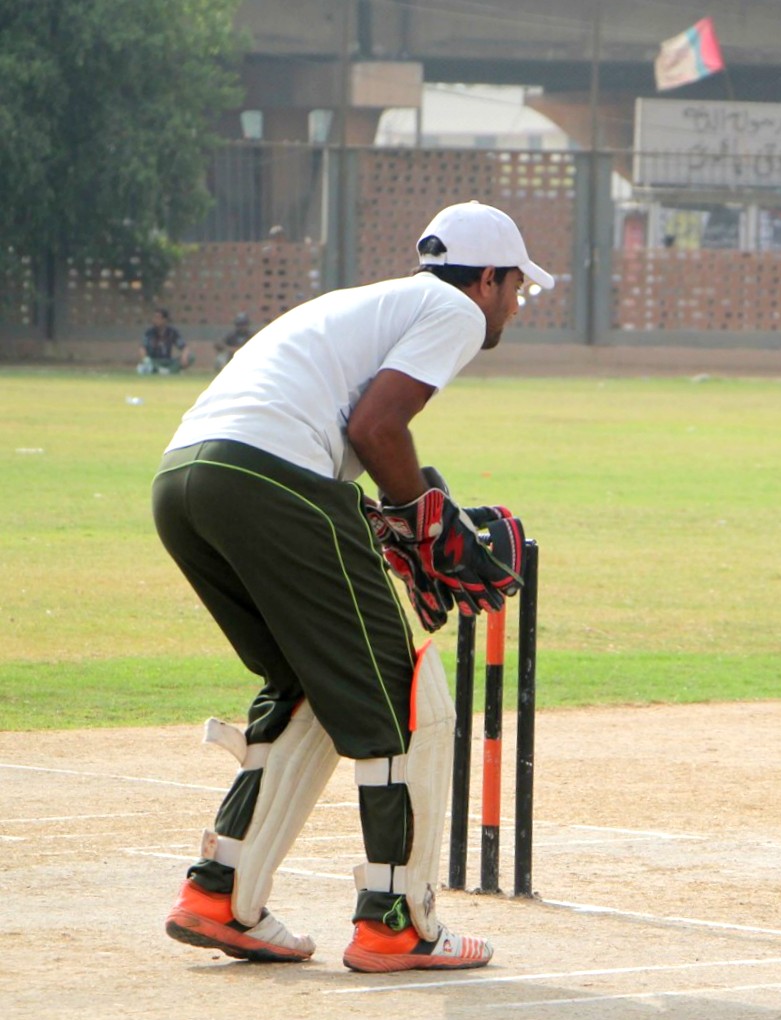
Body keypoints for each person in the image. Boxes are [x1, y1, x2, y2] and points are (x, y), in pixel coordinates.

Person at [153, 200, 554, 971]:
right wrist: (425, 522)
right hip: (272, 479)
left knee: (306, 683)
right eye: (517, 288)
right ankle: (397, 921)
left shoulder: (368, 302)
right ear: (488, 278)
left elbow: (342, 427)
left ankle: (220, 892)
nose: (515, 304)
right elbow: (376, 427)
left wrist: (402, 516)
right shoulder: (453, 308)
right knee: (407, 697)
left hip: (185, 480)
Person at [137, 307, 194, 374]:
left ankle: (163, 371)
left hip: (168, 361)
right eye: (154, 317)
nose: (155, 320)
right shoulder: (149, 333)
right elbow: (142, 348)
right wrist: (146, 360)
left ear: (164, 320)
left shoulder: (172, 332)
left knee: (191, 356)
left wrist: (184, 356)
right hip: (154, 361)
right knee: (143, 366)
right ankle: (169, 371)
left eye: (158, 318)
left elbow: (185, 347)